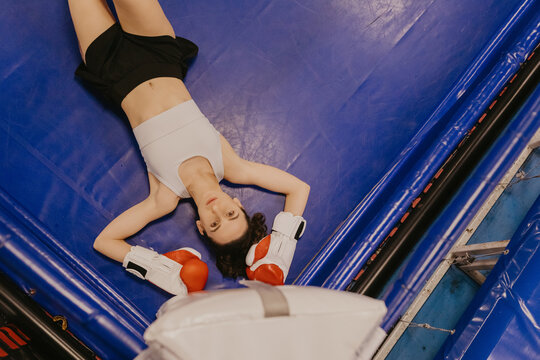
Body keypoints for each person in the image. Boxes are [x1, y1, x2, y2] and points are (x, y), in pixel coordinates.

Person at [67, 0, 310, 295]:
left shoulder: (165, 197)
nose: (217, 211)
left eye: (215, 224)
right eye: (230, 214)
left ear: (201, 228)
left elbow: (104, 241)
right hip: (155, 48)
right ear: (238, 204)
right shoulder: (230, 165)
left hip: (111, 68)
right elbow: (298, 189)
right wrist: (277, 255)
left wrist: (163, 270)